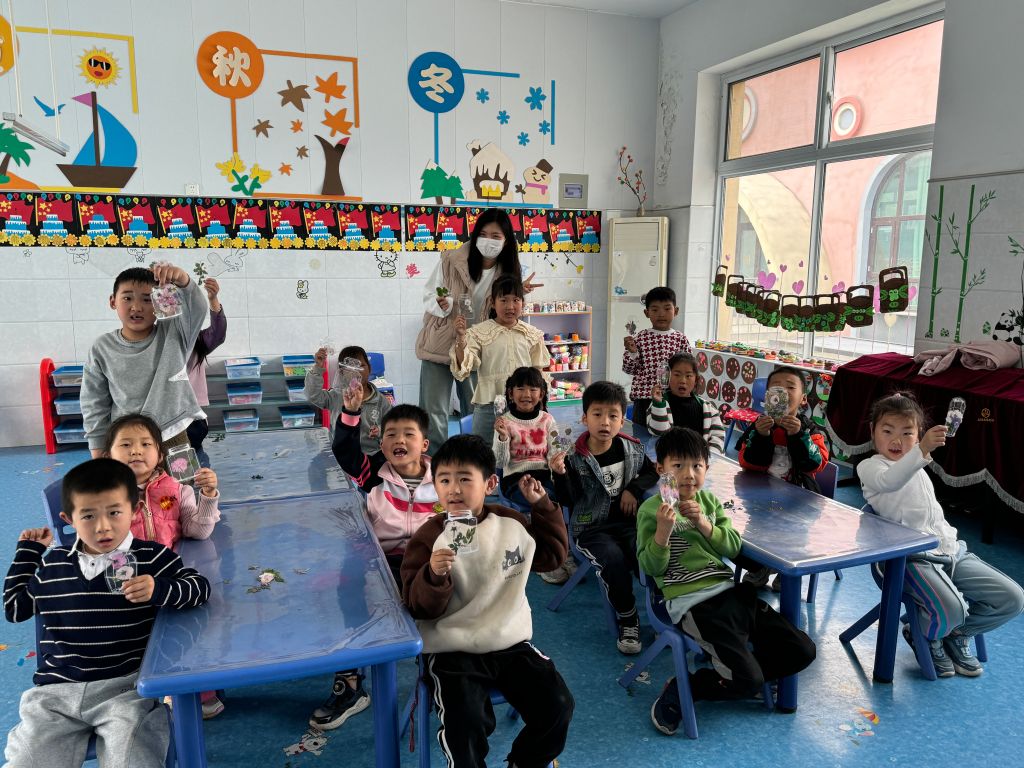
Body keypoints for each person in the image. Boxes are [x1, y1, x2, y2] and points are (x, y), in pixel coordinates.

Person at [3, 458, 211, 767]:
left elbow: (199, 588)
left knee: (132, 758)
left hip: (125, 690)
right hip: (55, 695)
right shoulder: (53, 563)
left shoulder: (151, 557)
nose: (103, 526)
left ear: (134, 509)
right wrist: (28, 553)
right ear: (69, 519)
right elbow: (15, 609)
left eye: (114, 512)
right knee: (27, 761)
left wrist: (159, 588)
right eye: (88, 515)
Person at [401, 435, 573, 768]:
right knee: (465, 723)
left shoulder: (510, 523)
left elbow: (551, 557)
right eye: (444, 480)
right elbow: (418, 606)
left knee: (558, 704)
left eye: (465, 479)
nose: (454, 489)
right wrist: (434, 575)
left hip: (509, 642)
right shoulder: (429, 537)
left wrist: (542, 507)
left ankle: (523, 762)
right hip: (452, 649)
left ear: (490, 483)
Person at [638, 428, 816, 734]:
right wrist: (663, 533)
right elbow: (650, 568)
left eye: (697, 466)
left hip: (732, 594)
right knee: (749, 680)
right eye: (678, 466)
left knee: (802, 650)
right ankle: (690, 686)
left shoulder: (708, 502)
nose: (688, 474)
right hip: (694, 604)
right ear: (660, 469)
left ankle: (742, 675)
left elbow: (732, 547)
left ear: (707, 468)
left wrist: (704, 523)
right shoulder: (651, 510)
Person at [858, 392, 1024, 677]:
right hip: (908, 560)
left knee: (1013, 599)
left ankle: (956, 634)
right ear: (872, 431)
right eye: (887, 431)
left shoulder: (917, 464)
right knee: (953, 609)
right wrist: (920, 450)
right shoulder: (871, 467)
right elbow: (890, 482)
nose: (897, 440)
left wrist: (920, 452)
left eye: (907, 433)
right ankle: (926, 635)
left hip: (948, 550)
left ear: (918, 434)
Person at [310, 399, 438, 730]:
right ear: (381, 444)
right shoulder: (374, 475)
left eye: (408, 434)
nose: (399, 440)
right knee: (350, 590)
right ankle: (350, 684)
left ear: (424, 444)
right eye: (391, 434)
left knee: (449, 597)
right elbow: (343, 451)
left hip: (428, 564)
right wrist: (350, 413)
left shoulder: (443, 478)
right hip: (381, 562)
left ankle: (440, 674)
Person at [103, 413, 224, 718]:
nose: (136, 450)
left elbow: (198, 531)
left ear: (160, 454)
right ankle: (144, 688)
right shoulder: (102, 496)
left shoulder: (177, 489)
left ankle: (191, 684)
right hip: (126, 582)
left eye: (146, 444)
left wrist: (208, 495)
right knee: (136, 637)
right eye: (126, 445)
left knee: (187, 627)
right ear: (108, 456)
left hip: (168, 579)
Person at [415, 209, 542, 453]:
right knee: (433, 410)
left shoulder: (508, 271)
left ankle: (473, 459)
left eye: (496, 236)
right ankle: (433, 461)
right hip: (441, 341)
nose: (488, 241)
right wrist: (442, 305)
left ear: (506, 240)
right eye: (483, 234)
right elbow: (430, 293)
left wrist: (518, 291)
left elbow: (506, 308)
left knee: (476, 408)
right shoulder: (451, 260)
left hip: (478, 348)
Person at [550, 381, 658, 654]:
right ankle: (628, 617)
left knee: (647, 550)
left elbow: (652, 472)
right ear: (585, 418)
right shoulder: (573, 457)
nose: (605, 422)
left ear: (623, 420)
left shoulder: (631, 448)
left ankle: (660, 609)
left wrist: (633, 489)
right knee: (613, 559)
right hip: (591, 529)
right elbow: (567, 500)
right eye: (597, 414)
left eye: (613, 415)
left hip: (627, 524)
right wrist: (559, 475)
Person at [81, 265, 208, 459]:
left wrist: (183, 280)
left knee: (181, 479)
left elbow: (196, 309)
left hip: (172, 430)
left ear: (158, 302)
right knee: (129, 480)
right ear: (113, 301)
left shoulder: (173, 333)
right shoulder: (102, 347)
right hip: (126, 437)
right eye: (127, 298)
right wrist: (98, 448)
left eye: (147, 299)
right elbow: (94, 402)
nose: (137, 307)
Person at [737, 366, 830, 590]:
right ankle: (759, 567)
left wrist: (798, 435)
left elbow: (816, 464)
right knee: (754, 532)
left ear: (803, 399)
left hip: (798, 500)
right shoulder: (760, 425)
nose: (784, 392)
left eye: (790, 387)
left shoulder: (810, 429)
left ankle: (786, 572)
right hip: (760, 496)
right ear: (768, 396)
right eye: (777, 387)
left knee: (794, 537)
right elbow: (746, 461)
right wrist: (761, 435)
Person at [451, 274, 548, 442]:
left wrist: (541, 403)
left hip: (524, 404)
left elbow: (538, 373)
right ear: (492, 303)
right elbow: (465, 366)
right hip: (488, 405)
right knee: (482, 448)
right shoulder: (479, 332)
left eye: (516, 300)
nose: (510, 306)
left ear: (523, 303)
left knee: (522, 448)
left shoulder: (532, 334)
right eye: (503, 300)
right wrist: (461, 337)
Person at [622, 287, 690, 428]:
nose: (661, 314)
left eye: (667, 309)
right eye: (655, 309)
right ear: (647, 313)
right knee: (641, 433)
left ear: (676, 311)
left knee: (671, 434)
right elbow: (629, 369)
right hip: (644, 398)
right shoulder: (641, 338)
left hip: (673, 397)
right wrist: (632, 352)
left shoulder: (680, 339)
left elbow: (689, 369)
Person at [306, 344, 392, 453]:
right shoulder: (336, 396)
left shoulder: (381, 401)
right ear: (341, 373)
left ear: (369, 369)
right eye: (350, 368)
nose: (356, 372)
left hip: (372, 454)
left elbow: (393, 426)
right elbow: (313, 395)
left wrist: (380, 430)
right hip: (343, 454)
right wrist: (317, 368)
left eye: (361, 366)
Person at [493, 366, 557, 509]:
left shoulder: (548, 420)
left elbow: (555, 451)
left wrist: (556, 472)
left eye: (533, 389)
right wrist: (503, 437)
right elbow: (500, 463)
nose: (527, 394)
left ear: (541, 394)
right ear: (511, 393)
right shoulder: (504, 422)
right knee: (540, 499)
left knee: (561, 494)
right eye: (520, 389)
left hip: (544, 477)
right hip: (514, 479)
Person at [645, 352, 725, 452]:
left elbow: (718, 437)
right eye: (677, 375)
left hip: (699, 459)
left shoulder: (708, 408)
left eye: (688, 376)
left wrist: (708, 458)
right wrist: (658, 405)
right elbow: (658, 431)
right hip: (670, 458)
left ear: (696, 380)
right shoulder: (659, 404)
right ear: (668, 377)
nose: (682, 380)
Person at [185, 277, 227, 458]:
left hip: (192, 416)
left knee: (195, 460)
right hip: (163, 417)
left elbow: (218, 333)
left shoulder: (197, 340)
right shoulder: (156, 339)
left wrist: (213, 299)